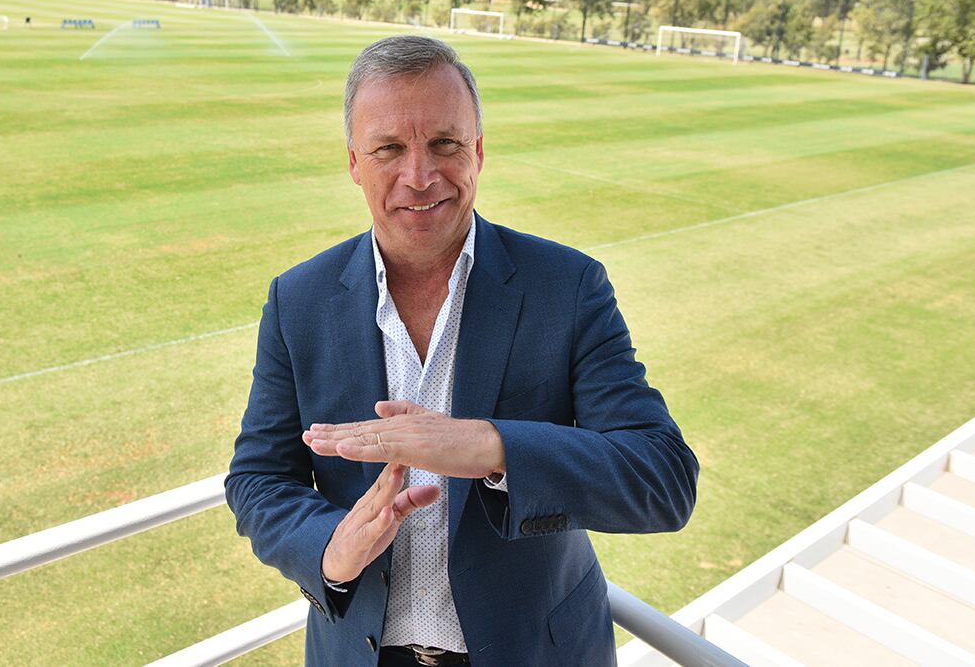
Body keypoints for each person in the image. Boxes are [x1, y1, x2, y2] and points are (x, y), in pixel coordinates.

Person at [226, 35, 698, 666]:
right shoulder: (298, 300)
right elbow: (259, 479)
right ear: (353, 163)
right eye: (389, 148)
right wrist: (330, 550)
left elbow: (662, 479)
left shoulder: (567, 285)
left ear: (477, 152)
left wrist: (490, 446)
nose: (418, 177)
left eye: (444, 145)